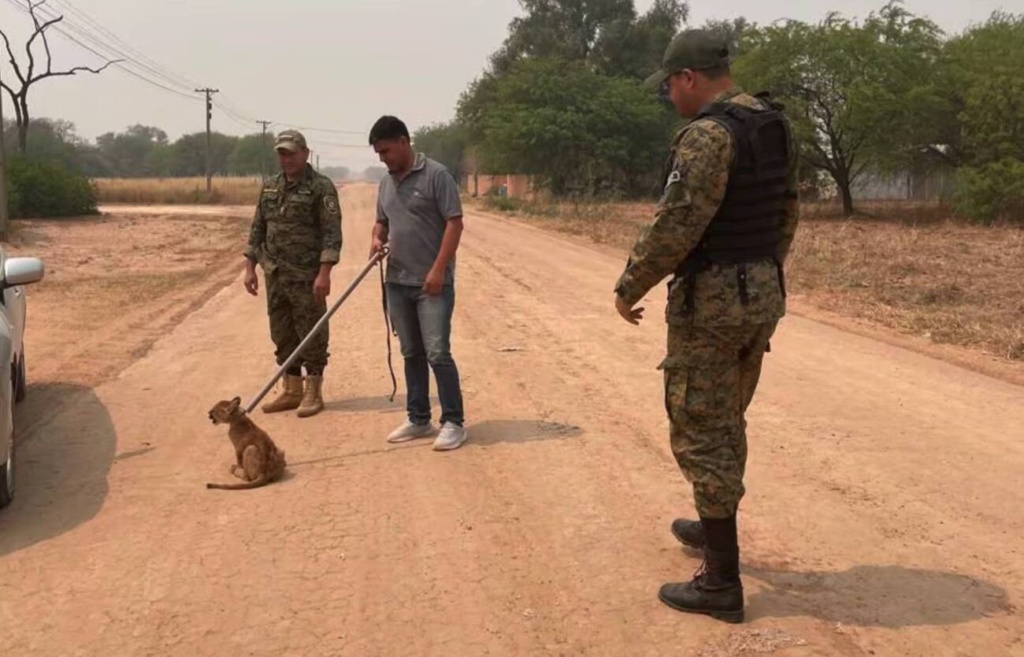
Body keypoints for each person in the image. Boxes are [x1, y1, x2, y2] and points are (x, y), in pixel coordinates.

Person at [613, 29, 800, 622]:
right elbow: (788, 211)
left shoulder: (706, 136)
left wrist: (630, 284)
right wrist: (762, 275)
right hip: (761, 292)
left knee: (699, 426)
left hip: (713, 303)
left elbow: (677, 224)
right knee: (727, 415)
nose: (669, 96)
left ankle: (720, 582)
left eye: (670, 85)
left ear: (688, 77)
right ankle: (711, 517)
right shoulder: (771, 123)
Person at [367, 115, 468, 452]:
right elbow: (381, 221)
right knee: (411, 351)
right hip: (397, 281)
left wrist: (439, 270)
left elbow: (454, 224)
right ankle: (418, 417)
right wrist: (376, 238)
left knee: (438, 352)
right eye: (378, 154)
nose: (383, 158)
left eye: (386, 151)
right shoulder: (385, 183)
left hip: (432, 284)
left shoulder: (437, 176)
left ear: (404, 142)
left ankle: (453, 422)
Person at [243, 129, 342, 418]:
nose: (286, 159)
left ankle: (313, 390)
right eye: (282, 154)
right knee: (282, 332)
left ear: (305, 153)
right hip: (275, 273)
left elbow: (332, 234)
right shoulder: (270, 186)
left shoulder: (321, 188)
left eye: (291, 153)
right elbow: (257, 227)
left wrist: (324, 273)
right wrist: (249, 267)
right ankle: (292, 388)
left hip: (306, 276)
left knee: (311, 331)